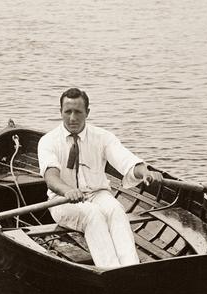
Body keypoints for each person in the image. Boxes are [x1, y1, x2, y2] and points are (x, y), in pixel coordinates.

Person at [38, 87, 163, 268]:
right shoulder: (48, 141)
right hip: (62, 201)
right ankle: (111, 272)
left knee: (116, 210)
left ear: (87, 112)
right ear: (60, 112)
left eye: (78, 112)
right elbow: (51, 177)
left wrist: (144, 172)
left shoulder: (103, 137)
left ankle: (131, 269)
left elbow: (125, 160)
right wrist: (68, 191)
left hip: (98, 194)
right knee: (92, 214)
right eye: (68, 112)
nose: (72, 118)